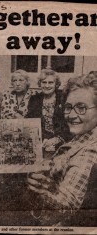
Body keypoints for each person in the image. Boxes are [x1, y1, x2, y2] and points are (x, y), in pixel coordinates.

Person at [27, 73, 97, 225]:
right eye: (68, 107)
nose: (71, 115)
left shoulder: (90, 152)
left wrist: (39, 191)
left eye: (81, 108)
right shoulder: (83, 135)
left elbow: (67, 203)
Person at [26, 68, 71, 153]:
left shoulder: (63, 98)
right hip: (42, 141)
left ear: (56, 84)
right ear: (40, 84)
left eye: (50, 82)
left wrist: (57, 139)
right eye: (44, 82)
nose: (47, 86)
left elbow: (69, 123)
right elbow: (31, 122)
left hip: (62, 139)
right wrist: (43, 139)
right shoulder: (34, 99)